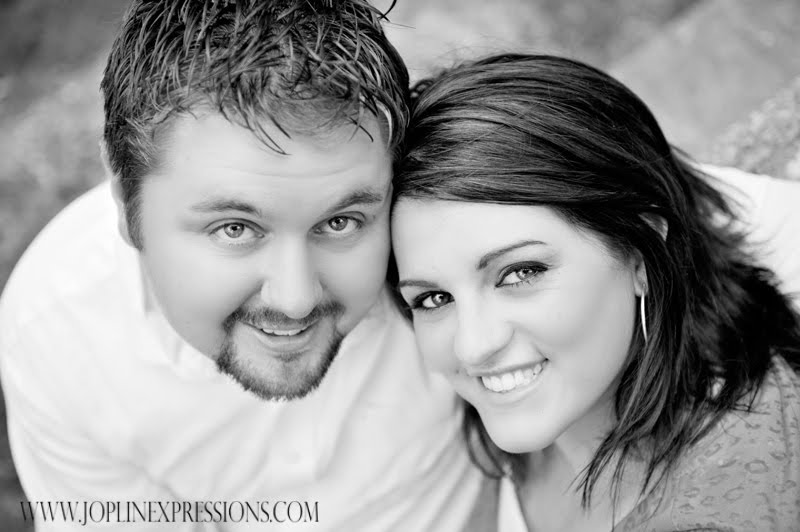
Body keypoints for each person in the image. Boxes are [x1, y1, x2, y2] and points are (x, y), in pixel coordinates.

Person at [0, 1, 487, 530]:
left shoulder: (451, 235)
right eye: (235, 229)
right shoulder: (54, 338)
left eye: (340, 222)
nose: (295, 299)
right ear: (124, 200)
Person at [391, 54, 800, 531]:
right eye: (433, 299)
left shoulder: (729, 506)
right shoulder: (549, 409)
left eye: (520, 273)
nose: (472, 347)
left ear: (641, 253)